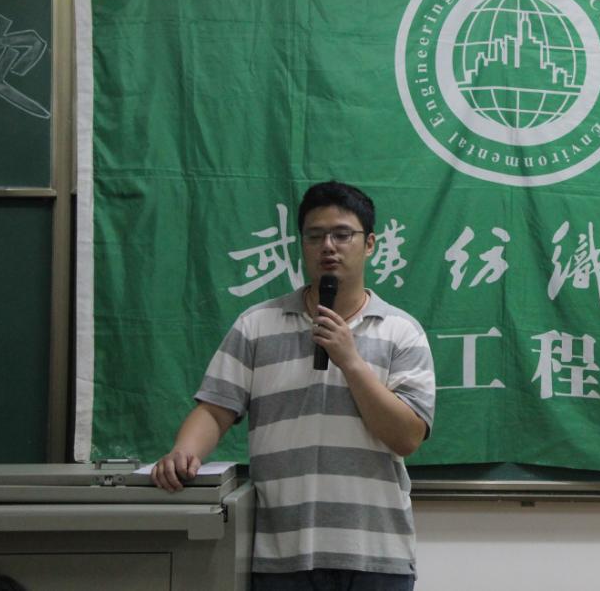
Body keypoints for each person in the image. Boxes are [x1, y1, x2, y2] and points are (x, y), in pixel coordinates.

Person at [151, 181, 435, 591]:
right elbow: (215, 409)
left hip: (376, 554)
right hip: (281, 554)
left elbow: (407, 437)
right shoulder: (256, 325)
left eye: (342, 234)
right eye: (315, 236)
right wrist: (183, 452)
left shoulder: (402, 331)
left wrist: (350, 361)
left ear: (370, 244)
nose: (328, 247)